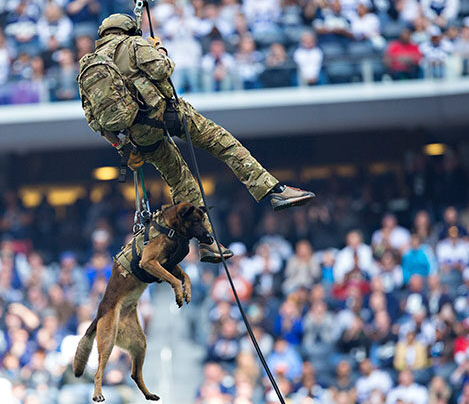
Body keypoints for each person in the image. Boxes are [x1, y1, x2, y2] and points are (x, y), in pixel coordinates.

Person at [79, 14, 315, 263]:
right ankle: (273, 190)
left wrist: (124, 146)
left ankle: (208, 242)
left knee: (181, 183)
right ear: (127, 29)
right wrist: (158, 50)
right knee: (223, 143)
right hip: (168, 114)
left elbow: (94, 121)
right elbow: (163, 69)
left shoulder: (88, 68)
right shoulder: (134, 45)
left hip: (139, 138)